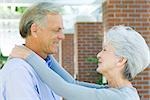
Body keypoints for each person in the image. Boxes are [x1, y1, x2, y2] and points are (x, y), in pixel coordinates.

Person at [10, 25, 150, 100]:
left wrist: (28, 56)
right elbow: (72, 84)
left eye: (105, 50)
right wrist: (45, 55)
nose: (98, 55)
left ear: (121, 60)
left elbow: (64, 89)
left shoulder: (120, 98)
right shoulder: (116, 91)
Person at [0, 2, 65, 100]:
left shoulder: (46, 68)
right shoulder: (19, 71)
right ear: (34, 30)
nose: (62, 36)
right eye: (56, 30)